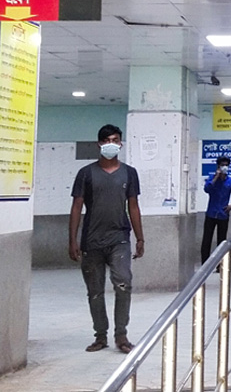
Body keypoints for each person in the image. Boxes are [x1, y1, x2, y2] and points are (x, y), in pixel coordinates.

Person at [69, 124, 144, 354]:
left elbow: (133, 206)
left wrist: (140, 238)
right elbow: (76, 206)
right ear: (99, 144)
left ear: (120, 144)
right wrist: (72, 240)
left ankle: (121, 336)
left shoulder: (129, 173)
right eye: (107, 140)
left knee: (123, 283)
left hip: (119, 238)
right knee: (95, 291)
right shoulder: (86, 173)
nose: (112, 144)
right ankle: (100, 336)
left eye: (116, 140)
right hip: (92, 241)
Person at [202, 156, 231, 265]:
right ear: (218, 166)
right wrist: (216, 177)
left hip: (223, 214)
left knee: (221, 242)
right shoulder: (212, 179)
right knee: (206, 240)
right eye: (222, 165)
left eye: (226, 165)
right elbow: (207, 189)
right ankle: (204, 264)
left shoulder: (230, 181)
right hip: (211, 214)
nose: (224, 167)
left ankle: (220, 265)